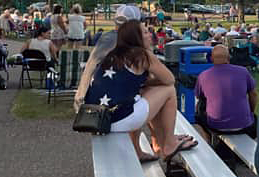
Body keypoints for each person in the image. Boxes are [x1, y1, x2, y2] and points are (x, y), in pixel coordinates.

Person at [83, 20, 197, 162]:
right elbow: (169, 80)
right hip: (118, 120)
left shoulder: (112, 55)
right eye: (144, 32)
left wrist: (146, 83)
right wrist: (151, 80)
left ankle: (139, 150)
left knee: (138, 95)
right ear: (136, 38)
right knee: (168, 91)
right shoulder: (142, 55)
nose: (150, 34)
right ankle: (169, 143)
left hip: (100, 118)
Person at [75, 5, 144, 112]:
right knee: (160, 90)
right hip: (108, 107)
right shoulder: (127, 43)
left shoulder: (105, 38)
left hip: (84, 100)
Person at [194, 45, 259, 137]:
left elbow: (199, 98)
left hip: (215, 125)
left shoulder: (203, 75)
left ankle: (207, 139)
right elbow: (254, 95)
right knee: (255, 119)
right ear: (229, 58)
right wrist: (251, 111)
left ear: (211, 59)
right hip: (243, 125)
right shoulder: (243, 71)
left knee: (198, 114)